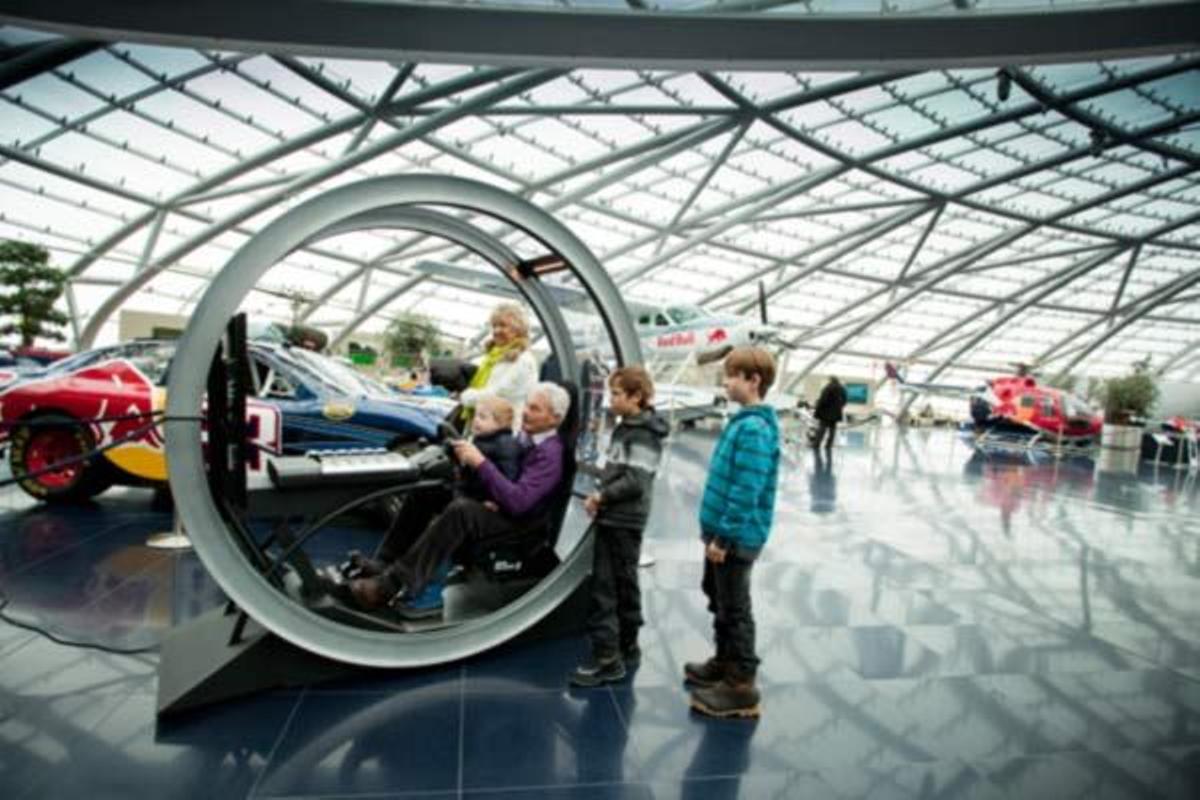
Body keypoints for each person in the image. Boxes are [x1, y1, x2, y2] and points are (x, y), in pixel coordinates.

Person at [348, 382, 571, 620]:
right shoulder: (526, 438)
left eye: (535, 409)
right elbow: (506, 478)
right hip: (500, 507)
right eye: (527, 405)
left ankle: (389, 586)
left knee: (461, 510)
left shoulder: (550, 455)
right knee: (427, 491)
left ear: (555, 418)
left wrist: (480, 463)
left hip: (519, 525)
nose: (526, 411)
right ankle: (385, 560)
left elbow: (518, 502)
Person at [685, 346, 780, 719]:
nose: (725, 382)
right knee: (719, 598)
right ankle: (724, 662)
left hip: (733, 539)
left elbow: (746, 489)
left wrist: (724, 537)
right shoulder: (744, 422)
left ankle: (741, 684)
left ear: (753, 381)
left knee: (735, 608)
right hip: (720, 534)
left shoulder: (754, 430)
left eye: (731, 376)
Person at [570, 366, 668, 687]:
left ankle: (607, 660)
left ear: (636, 397)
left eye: (616, 394)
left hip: (621, 519)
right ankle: (628, 645)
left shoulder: (641, 434)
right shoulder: (629, 427)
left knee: (606, 589)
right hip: (622, 518)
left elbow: (635, 481)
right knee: (625, 584)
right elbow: (621, 471)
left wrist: (601, 496)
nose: (610, 399)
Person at [459, 302, 539, 429]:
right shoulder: (494, 356)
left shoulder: (523, 360)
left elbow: (497, 395)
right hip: (486, 427)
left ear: (518, 329)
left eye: (503, 325)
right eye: (494, 326)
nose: (496, 331)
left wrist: (466, 396)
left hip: (502, 431)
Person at [813, 375, 848, 451]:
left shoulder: (828, 388)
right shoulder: (842, 388)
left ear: (831, 380)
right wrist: (839, 407)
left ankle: (817, 444)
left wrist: (818, 409)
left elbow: (823, 400)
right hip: (836, 413)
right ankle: (828, 445)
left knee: (822, 429)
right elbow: (845, 400)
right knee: (832, 430)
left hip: (826, 412)